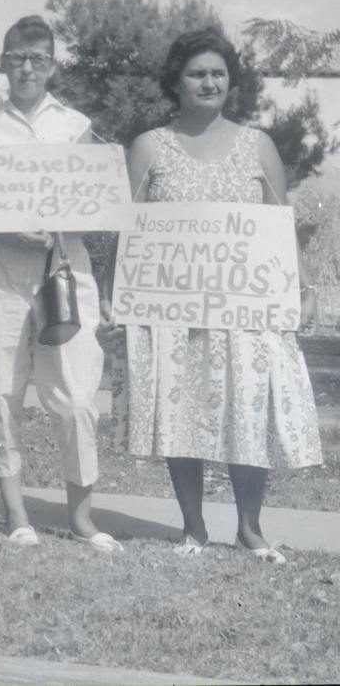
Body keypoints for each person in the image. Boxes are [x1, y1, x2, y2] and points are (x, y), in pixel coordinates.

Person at [98, 28, 322, 563]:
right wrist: (113, 298)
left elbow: (281, 223)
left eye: (218, 73)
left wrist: (305, 287)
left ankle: (250, 529)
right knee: (180, 414)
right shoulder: (149, 147)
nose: (209, 81)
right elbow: (124, 232)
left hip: (245, 310)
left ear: (231, 81)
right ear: (175, 82)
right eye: (197, 72)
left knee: (248, 411)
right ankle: (193, 528)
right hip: (172, 312)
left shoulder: (257, 145)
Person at [0, 15, 119, 552]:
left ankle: (81, 518)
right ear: (2, 63)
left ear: (52, 64)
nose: (26, 68)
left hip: (63, 264)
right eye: (16, 58)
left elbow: (98, 200)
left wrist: (59, 224)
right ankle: (16, 513)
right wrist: (8, 225)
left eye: (38, 58)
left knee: (76, 394)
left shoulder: (76, 125)